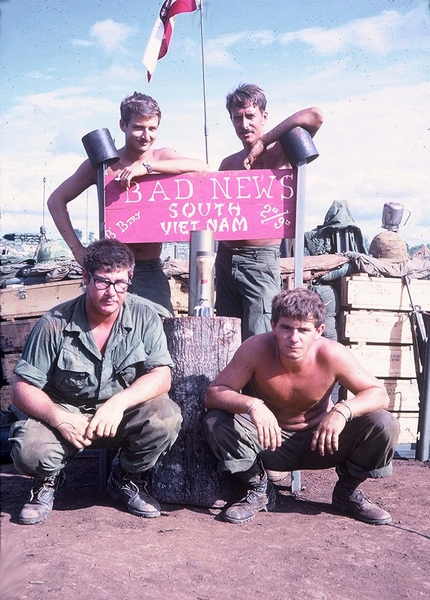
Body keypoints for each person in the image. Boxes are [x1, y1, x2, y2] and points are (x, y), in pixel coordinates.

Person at [8, 238, 182, 525]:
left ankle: (127, 478)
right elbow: (21, 388)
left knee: (165, 417)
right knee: (29, 451)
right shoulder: (54, 323)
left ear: (130, 279)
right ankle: (47, 481)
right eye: (102, 282)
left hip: (118, 416)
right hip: (67, 417)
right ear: (86, 278)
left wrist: (117, 404)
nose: (111, 293)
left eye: (120, 283)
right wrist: (59, 417)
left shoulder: (145, 316)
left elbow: (161, 375)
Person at [204, 288, 400, 525]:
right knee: (217, 420)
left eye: (303, 330)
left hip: (322, 443)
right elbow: (214, 393)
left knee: (383, 423)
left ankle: (348, 491)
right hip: (270, 443)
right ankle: (258, 489)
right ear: (273, 324)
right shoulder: (256, 349)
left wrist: (341, 411)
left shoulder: (332, 353)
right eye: (286, 328)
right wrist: (252, 404)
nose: (293, 338)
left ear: (318, 331)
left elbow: (379, 394)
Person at [48, 92, 209, 317]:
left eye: (152, 128)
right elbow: (56, 200)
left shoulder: (161, 157)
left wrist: (147, 168)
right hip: (108, 271)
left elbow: (203, 168)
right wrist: (77, 250)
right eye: (139, 127)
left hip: (148, 269)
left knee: (160, 327)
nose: (146, 135)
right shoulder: (103, 164)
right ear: (123, 125)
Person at [216, 83, 323, 339]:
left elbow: (315, 115)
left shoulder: (279, 152)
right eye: (237, 117)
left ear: (264, 117)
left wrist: (264, 142)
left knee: (260, 335)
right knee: (226, 337)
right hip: (225, 259)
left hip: (259, 260)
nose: (244, 124)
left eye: (250, 116)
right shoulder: (228, 163)